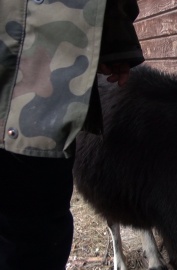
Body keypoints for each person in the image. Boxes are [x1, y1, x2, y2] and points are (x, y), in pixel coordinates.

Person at [0, 0, 144, 269]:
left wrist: (114, 41)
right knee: (31, 229)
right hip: (45, 70)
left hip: (45, 70)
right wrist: (115, 40)